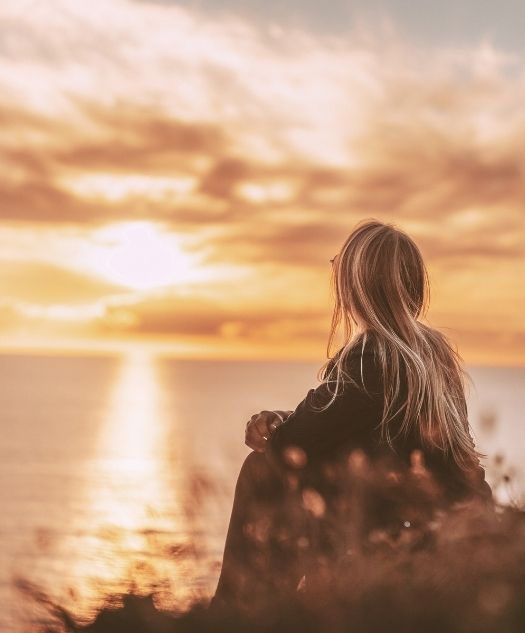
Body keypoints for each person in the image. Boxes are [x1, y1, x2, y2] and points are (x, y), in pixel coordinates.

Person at [208, 219, 494, 614]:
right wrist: (283, 415)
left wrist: (279, 425)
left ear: (357, 288)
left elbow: (293, 444)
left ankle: (237, 612)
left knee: (262, 470)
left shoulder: (373, 356)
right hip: (450, 525)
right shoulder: (432, 353)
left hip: (398, 535)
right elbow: (352, 420)